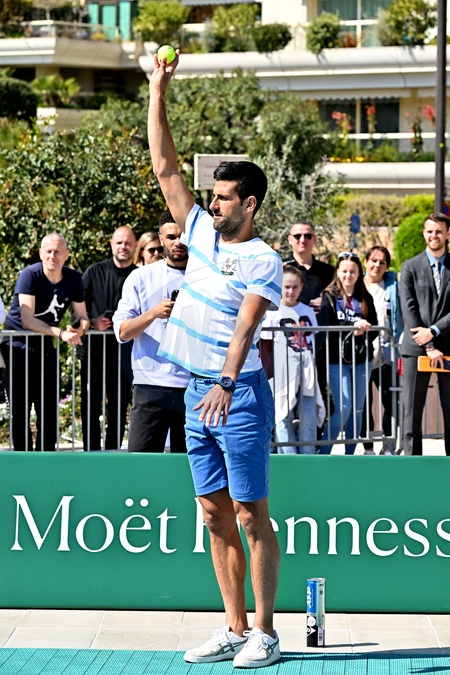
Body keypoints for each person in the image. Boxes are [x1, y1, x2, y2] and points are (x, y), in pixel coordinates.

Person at [148, 49, 282, 668]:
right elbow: (164, 165)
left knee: (252, 516)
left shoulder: (263, 259)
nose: (215, 203)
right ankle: (232, 627)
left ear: (249, 204)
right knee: (212, 514)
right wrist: (158, 89)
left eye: (226, 197)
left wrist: (227, 381)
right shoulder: (199, 229)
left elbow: (247, 325)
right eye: (214, 196)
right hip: (196, 391)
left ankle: (265, 633)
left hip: (239, 394)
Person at [1, 233, 89, 451]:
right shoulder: (30, 275)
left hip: (45, 345)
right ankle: (22, 461)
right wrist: (61, 333)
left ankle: (47, 460)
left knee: (48, 408)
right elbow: (27, 319)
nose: (52, 256)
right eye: (48, 251)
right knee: (19, 410)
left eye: (57, 251)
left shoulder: (73, 278)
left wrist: (79, 329)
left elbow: (82, 316)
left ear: (66, 255)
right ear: (40, 253)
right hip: (16, 346)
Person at [113, 212, 189, 452]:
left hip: (195, 385)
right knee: (141, 464)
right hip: (150, 385)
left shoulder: (208, 277)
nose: (178, 242)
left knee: (192, 467)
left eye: (183, 236)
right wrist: (153, 313)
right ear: (161, 238)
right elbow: (122, 331)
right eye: (171, 237)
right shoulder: (141, 277)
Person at [80, 226, 137, 451]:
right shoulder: (94, 272)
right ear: (111, 244)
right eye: (119, 242)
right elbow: (78, 307)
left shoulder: (138, 275)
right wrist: (93, 322)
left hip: (124, 352)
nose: (123, 247)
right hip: (93, 351)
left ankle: (113, 452)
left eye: (128, 243)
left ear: (135, 246)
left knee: (119, 404)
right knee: (91, 403)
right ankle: (90, 453)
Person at [400, 212, 450, 456]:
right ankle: (411, 468)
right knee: (411, 414)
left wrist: (434, 331)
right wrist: (428, 345)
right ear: (424, 233)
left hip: (448, 346)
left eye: (439, 231)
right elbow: (408, 307)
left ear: (448, 234)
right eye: (430, 231)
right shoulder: (410, 266)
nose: (434, 235)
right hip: (416, 348)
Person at [318, 252, 377, 455]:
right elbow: (327, 326)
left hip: (362, 358)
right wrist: (352, 326)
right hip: (337, 359)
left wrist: (365, 328)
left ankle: (349, 456)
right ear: (337, 272)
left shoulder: (365, 296)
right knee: (343, 408)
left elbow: (375, 326)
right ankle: (323, 453)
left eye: (353, 271)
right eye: (344, 271)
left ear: (359, 273)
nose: (348, 275)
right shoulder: (329, 296)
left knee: (358, 410)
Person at [261, 266, 323, 454]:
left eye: (295, 287)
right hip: (282, 373)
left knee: (309, 416)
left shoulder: (307, 311)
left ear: (301, 287)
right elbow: (265, 347)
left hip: (307, 370)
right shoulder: (272, 312)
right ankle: (289, 457)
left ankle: (308, 458)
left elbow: (314, 340)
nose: (291, 291)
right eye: (287, 287)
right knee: (282, 416)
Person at [362, 246, 403, 455]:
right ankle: (368, 447)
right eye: (373, 260)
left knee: (391, 401)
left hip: (386, 355)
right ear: (366, 262)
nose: (377, 265)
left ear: (387, 266)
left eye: (382, 262)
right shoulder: (357, 285)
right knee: (364, 403)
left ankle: (388, 446)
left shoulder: (393, 287)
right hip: (362, 355)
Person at [284, 220, 334, 309]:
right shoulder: (281, 269)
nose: (303, 240)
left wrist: (324, 303)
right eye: (297, 236)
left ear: (314, 239)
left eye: (308, 236)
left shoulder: (328, 271)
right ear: (290, 240)